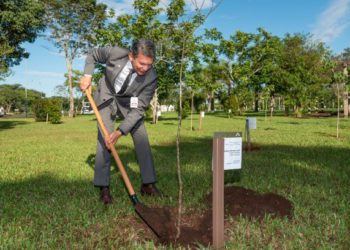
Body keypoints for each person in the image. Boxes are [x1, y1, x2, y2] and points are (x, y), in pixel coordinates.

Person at [80, 39, 162, 205]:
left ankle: (148, 184)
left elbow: (139, 109)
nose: (145, 68)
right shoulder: (115, 53)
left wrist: (120, 132)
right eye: (142, 63)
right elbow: (93, 54)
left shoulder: (151, 77)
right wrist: (87, 76)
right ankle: (104, 188)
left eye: (149, 64)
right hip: (107, 96)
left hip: (129, 103)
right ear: (131, 56)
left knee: (142, 137)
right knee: (105, 140)